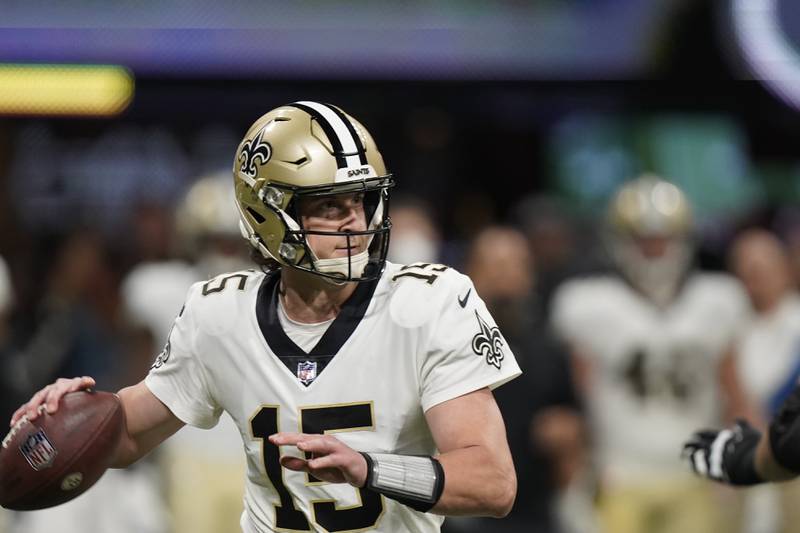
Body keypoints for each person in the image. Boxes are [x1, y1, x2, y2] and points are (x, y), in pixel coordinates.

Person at [7, 101, 521, 533]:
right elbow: (125, 436)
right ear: (267, 216)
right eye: (329, 206)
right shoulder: (219, 314)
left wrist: (369, 468)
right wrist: (68, 415)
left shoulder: (428, 304)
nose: (357, 223)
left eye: (363, 201)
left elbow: (492, 482)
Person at [550, 175, 751, 533]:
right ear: (620, 242)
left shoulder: (718, 299)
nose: (654, 250)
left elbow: (735, 392)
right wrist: (577, 474)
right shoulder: (587, 303)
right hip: (619, 473)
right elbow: (574, 400)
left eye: (662, 239)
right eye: (643, 241)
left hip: (695, 474)